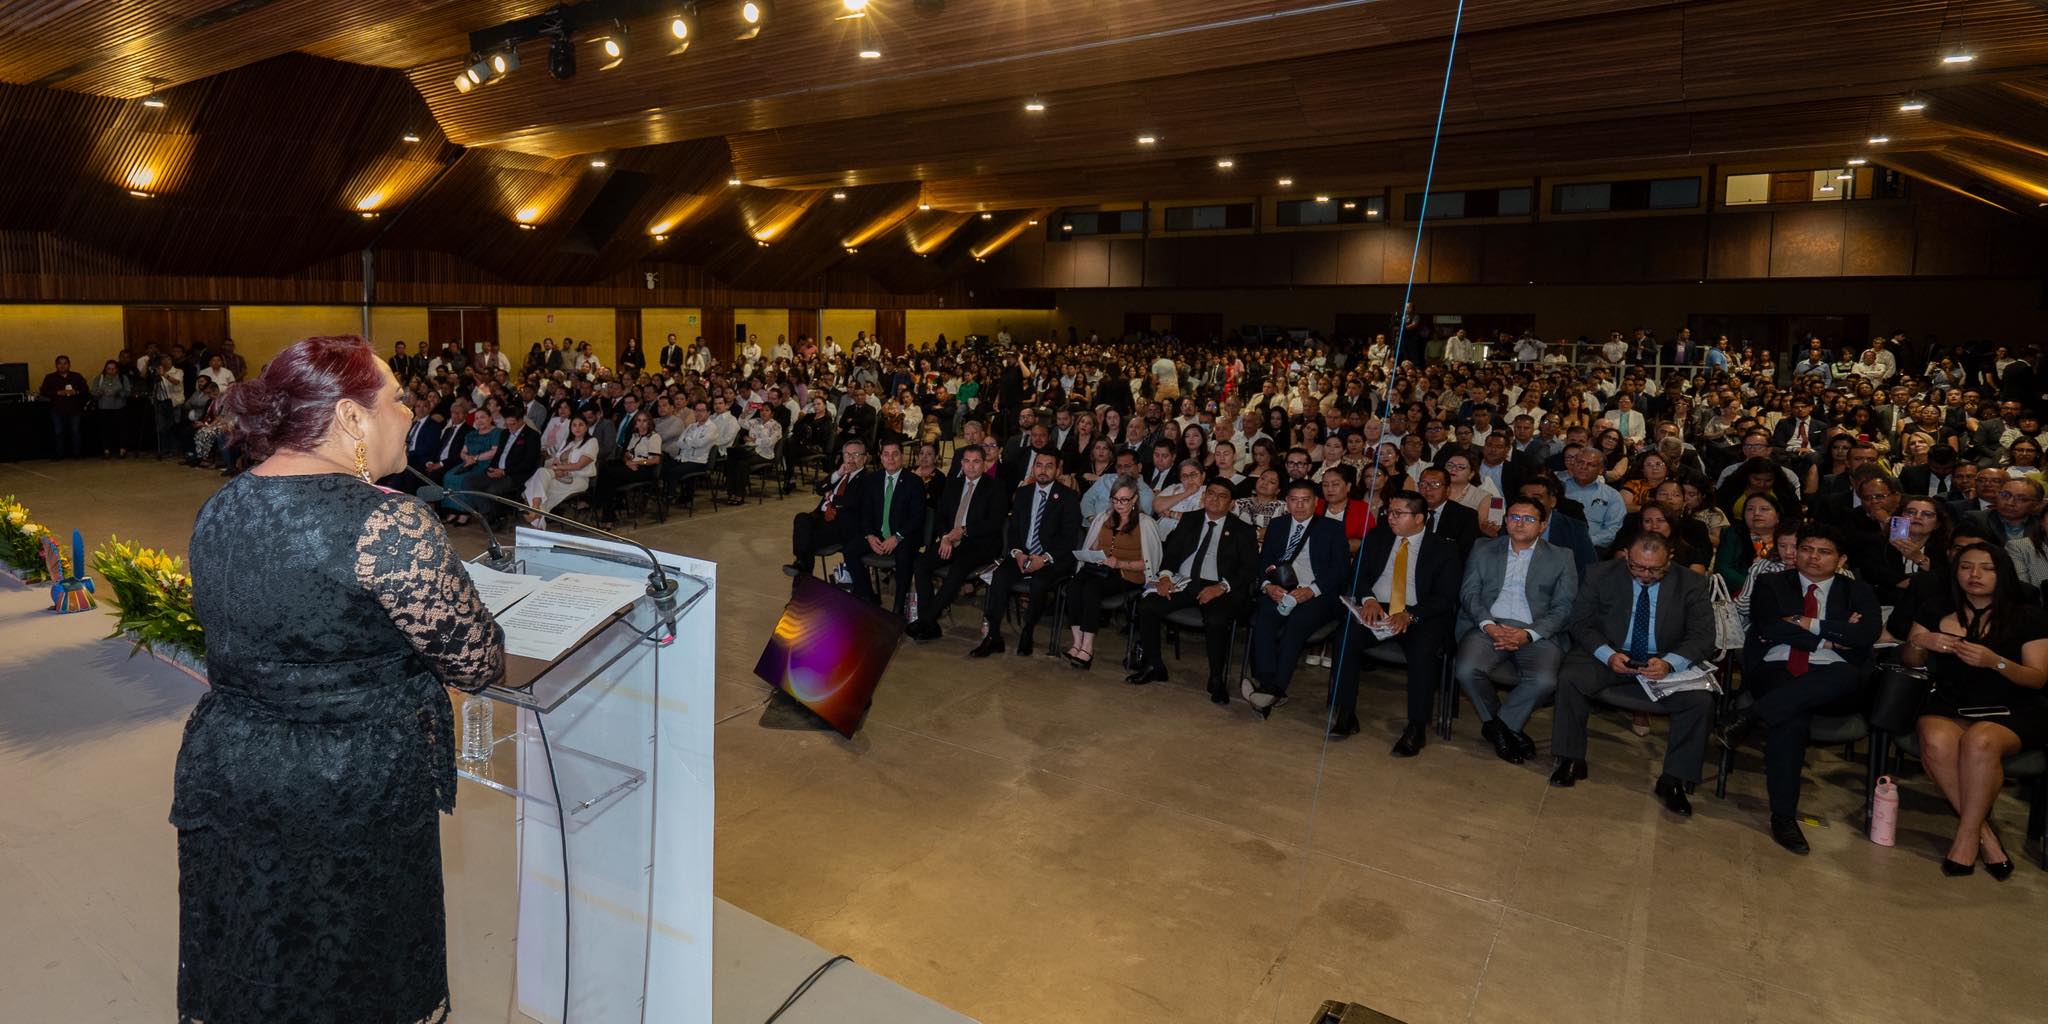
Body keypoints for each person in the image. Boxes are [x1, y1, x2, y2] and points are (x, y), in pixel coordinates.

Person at [178, 335, 504, 1024]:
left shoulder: (224, 505)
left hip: (232, 764)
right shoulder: (388, 524)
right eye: (398, 397)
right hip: (352, 781)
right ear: (353, 420)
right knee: (355, 961)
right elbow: (476, 662)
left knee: (263, 942)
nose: (411, 411)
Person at [1720, 525, 1882, 854]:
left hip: (1834, 676)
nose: (1812, 557)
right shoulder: (1772, 582)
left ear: (1841, 559)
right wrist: (1832, 636)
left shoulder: (1858, 591)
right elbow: (1768, 626)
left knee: (1848, 676)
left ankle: (1748, 717)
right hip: (1777, 667)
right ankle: (1784, 816)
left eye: (1824, 552)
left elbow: (1865, 635)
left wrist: (1803, 622)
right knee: (1790, 720)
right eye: (1807, 549)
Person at [1900, 545, 2048, 879]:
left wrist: (1993, 661)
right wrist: (1923, 643)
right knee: (1935, 739)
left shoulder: (2029, 615)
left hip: (2012, 707)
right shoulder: (1936, 606)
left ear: (2003, 573)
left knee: (1979, 742)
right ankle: (1986, 835)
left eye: (1986, 568)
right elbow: (1909, 660)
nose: (1975, 575)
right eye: (1966, 567)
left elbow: (2037, 678)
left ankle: (1967, 839)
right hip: (1951, 702)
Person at [1548, 534, 1717, 817]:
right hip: (1610, 653)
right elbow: (1580, 623)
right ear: (1627, 557)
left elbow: (1703, 637)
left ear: (1670, 559)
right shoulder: (1601, 573)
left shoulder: (1691, 583)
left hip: (1662, 658)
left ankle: (1673, 780)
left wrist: (1670, 663)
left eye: (1654, 570)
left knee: (1700, 702)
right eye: (1637, 567)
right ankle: (1570, 758)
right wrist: (1607, 655)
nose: (1645, 575)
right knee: (1571, 678)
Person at [1328, 490, 1463, 753]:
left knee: (1423, 653)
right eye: (1389, 512)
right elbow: (1358, 573)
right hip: (1377, 607)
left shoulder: (1443, 549)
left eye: (1398, 513)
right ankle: (1345, 711)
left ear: (1419, 518)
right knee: (1345, 638)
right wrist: (1367, 599)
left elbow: (1446, 596)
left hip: (1419, 612)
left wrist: (1410, 615)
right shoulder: (1378, 537)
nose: (1390, 518)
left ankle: (1416, 726)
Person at [1453, 499, 1578, 764]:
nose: (1520, 523)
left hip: (1537, 632)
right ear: (1506, 520)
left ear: (1542, 525)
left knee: (1543, 681)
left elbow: (1564, 607)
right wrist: (1488, 625)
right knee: (1466, 670)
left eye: (1529, 519)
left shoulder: (1562, 556)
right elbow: (1469, 592)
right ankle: (1507, 727)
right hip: (1488, 625)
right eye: (1514, 517)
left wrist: (1529, 634)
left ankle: (1499, 727)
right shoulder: (1483, 547)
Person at [1128, 480, 1259, 701]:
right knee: (1148, 605)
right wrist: (1165, 577)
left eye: (1222, 495)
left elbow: (1249, 570)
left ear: (1232, 502)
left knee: (1217, 620)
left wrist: (1221, 586)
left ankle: (1216, 678)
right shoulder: (1190, 519)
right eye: (1211, 493)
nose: (1214, 499)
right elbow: (1172, 553)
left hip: (1219, 586)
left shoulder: (1243, 530)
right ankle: (1154, 665)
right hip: (1185, 581)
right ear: (1204, 496)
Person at [1242, 479, 1351, 721]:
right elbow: (1264, 562)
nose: (1299, 505)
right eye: (1294, 500)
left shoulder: (1331, 529)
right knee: (1264, 620)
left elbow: (1341, 570)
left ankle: (1273, 688)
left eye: (1305, 500)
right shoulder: (1278, 525)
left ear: (1316, 502)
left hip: (1316, 594)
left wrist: (1312, 590)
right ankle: (1269, 686)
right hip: (1281, 589)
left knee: (1296, 626)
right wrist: (1268, 586)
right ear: (1286, 502)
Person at [971, 450, 1081, 658]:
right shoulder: (1023, 493)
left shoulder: (1068, 497)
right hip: (1023, 555)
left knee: (1039, 583)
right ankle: (993, 636)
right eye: (1039, 465)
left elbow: (1068, 538)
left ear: (1057, 470)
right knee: (1000, 576)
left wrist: (1044, 559)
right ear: (1033, 468)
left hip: (1051, 559)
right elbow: (1012, 531)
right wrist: (1018, 553)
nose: (1043, 470)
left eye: (1049, 466)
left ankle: (1028, 631)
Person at [906, 445, 1007, 643]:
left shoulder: (995, 487)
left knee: (958, 569)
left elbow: (994, 522)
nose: (971, 466)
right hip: (951, 539)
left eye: (976, 461)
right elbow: (941, 515)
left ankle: (925, 620)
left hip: (981, 543)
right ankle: (930, 624)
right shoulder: (953, 484)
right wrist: (945, 537)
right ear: (961, 463)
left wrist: (964, 531)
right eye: (967, 461)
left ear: (984, 463)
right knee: (921, 564)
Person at [1062, 476, 1159, 669]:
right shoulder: (1104, 518)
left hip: (1128, 574)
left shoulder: (1145, 523)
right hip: (1102, 570)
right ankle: (1077, 642)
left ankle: (1088, 648)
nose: (1119, 504)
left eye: (1124, 499)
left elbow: (1150, 564)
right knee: (1073, 586)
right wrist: (1092, 555)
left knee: (1091, 589)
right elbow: (1095, 545)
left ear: (1134, 499)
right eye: (1115, 499)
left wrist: (1120, 563)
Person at [849, 440, 926, 615]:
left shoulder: (914, 482)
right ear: (880, 457)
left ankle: (898, 608)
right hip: (877, 535)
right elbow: (865, 512)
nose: (890, 458)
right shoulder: (872, 480)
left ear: (902, 456)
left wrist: (897, 536)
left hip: (904, 536)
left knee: (905, 557)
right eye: (886, 454)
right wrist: (869, 535)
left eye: (895, 454)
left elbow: (917, 517)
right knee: (850, 550)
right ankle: (868, 596)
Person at [786, 439, 868, 578]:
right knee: (801, 518)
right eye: (847, 454)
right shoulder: (840, 474)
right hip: (821, 517)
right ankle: (802, 566)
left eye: (856, 454)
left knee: (806, 539)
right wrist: (837, 474)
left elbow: (854, 501)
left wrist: (832, 498)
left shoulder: (867, 479)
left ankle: (802, 570)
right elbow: (819, 489)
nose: (851, 458)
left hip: (840, 522)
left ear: (864, 458)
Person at [471, 408, 543, 525]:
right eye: (507, 424)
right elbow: (498, 453)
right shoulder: (505, 433)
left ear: (521, 421)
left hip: (516, 474)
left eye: (513, 424)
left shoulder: (532, 436)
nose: (510, 427)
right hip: (498, 469)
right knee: (471, 483)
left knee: (492, 490)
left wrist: (504, 471)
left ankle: (497, 517)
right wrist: (492, 468)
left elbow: (528, 463)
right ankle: (489, 514)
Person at [521, 414, 599, 522]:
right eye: (574, 425)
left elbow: (580, 465)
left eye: (581, 425)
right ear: (570, 428)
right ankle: (536, 510)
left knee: (538, 486)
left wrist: (560, 468)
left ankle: (535, 512)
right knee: (541, 472)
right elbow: (556, 460)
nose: (577, 428)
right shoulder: (567, 442)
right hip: (560, 475)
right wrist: (558, 470)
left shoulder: (592, 442)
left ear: (586, 427)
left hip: (578, 479)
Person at [593, 410, 663, 526]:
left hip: (644, 469)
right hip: (631, 466)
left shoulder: (654, 437)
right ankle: (608, 515)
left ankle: (599, 505)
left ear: (649, 422)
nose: (641, 424)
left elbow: (655, 460)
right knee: (606, 469)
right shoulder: (635, 436)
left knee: (608, 475)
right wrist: (628, 462)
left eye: (644, 421)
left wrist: (638, 462)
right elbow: (626, 454)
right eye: (639, 421)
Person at [439, 408, 503, 524]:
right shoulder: (471, 434)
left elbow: (494, 451)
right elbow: (463, 452)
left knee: (463, 479)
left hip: (485, 463)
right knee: (448, 476)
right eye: (477, 418)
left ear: (490, 418)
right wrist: (467, 458)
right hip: (469, 462)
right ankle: (454, 511)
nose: (479, 421)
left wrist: (475, 458)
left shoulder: (497, 432)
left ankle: (465, 513)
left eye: (483, 417)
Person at [38, 354, 89, 459]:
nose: (62, 366)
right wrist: (57, 392)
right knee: (58, 432)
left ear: (69, 365)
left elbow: (86, 391)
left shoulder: (77, 376)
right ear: (56, 365)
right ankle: (59, 454)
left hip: (74, 409)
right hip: (57, 410)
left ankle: (77, 454)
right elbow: (43, 392)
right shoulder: (50, 377)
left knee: (75, 431)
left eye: (65, 363)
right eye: (60, 363)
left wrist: (76, 391)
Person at [91, 358, 132, 457]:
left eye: (113, 369)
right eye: (109, 368)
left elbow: (128, 392)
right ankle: (106, 450)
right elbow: (93, 394)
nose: (111, 371)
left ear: (117, 369)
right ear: (105, 369)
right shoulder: (99, 379)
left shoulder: (122, 378)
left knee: (121, 429)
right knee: (105, 430)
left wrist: (119, 393)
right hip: (104, 408)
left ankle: (122, 449)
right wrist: (98, 393)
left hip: (119, 407)